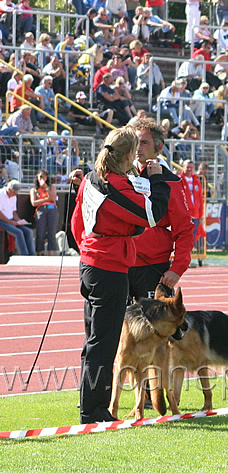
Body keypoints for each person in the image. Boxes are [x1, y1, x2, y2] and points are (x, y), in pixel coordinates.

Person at [70, 126, 170, 424]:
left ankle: (89, 404)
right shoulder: (112, 185)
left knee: (94, 340)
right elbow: (153, 214)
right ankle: (94, 411)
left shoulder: (92, 177)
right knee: (104, 341)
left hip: (92, 262)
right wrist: (157, 179)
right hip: (108, 267)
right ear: (127, 154)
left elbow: (80, 222)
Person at [128, 118, 194, 300]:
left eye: (144, 142)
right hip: (119, 264)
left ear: (159, 147)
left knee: (156, 326)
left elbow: (184, 228)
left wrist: (177, 269)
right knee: (118, 326)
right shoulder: (120, 176)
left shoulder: (171, 182)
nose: (138, 148)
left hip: (153, 267)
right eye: (135, 142)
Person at [0, 180, 35, 256]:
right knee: (19, 233)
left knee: (29, 232)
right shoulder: (1, 194)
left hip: (11, 220)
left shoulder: (13, 196)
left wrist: (19, 220)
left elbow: (14, 211)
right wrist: (10, 222)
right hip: (2, 221)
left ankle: (32, 255)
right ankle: (24, 255)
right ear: (9, 190)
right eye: (14, 193)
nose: (15, 195)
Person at [29, 170, 58, 256]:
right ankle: (39, 252)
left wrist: (45, 187)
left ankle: (51, 252)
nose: (42, 178)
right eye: (40, 176)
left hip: (52, 209)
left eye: (44, 176)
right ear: (37, 178)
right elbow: (34, 203)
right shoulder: (34, 190)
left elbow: (53, 198)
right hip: (41, 210)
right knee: (40, 231)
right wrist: (46, 199)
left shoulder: (51, 187)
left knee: (52, 231)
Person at [179, 159, 205, 240]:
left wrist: (200, 215)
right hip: (184, 215)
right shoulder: (179, 180)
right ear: (183, 167)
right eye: (187, 167)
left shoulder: (196, 181)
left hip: (195, 214)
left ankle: (189, 252)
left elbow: (200, 199)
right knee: (183, 237)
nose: (189, 169)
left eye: (191, 167)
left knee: (192, 238)